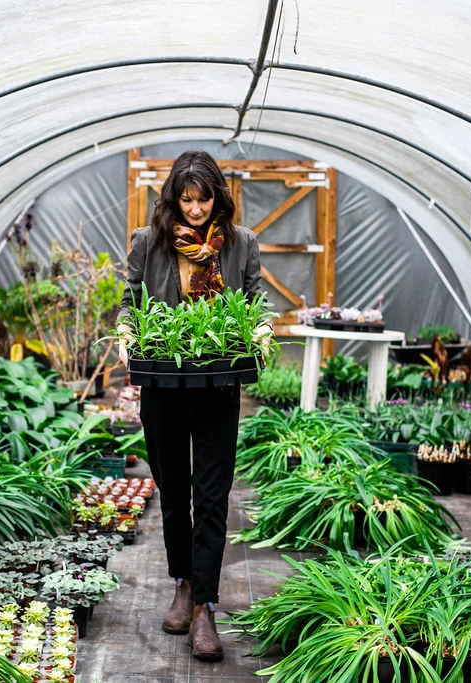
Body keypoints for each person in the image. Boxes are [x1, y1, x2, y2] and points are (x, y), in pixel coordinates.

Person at [115, 150, 273, 661]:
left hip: (217, 385)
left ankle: (205, 604)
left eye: (204, 199)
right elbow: (129, 298)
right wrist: (124, 331)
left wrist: (264, 331)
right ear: (173, 199)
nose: (196, 209)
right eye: (186, 199)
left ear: (216, 197)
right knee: (173, 490)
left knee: (210, 494)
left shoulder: (240, 243)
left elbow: (255, 300)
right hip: (161, 384)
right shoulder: (150, 241)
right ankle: (181, 582)